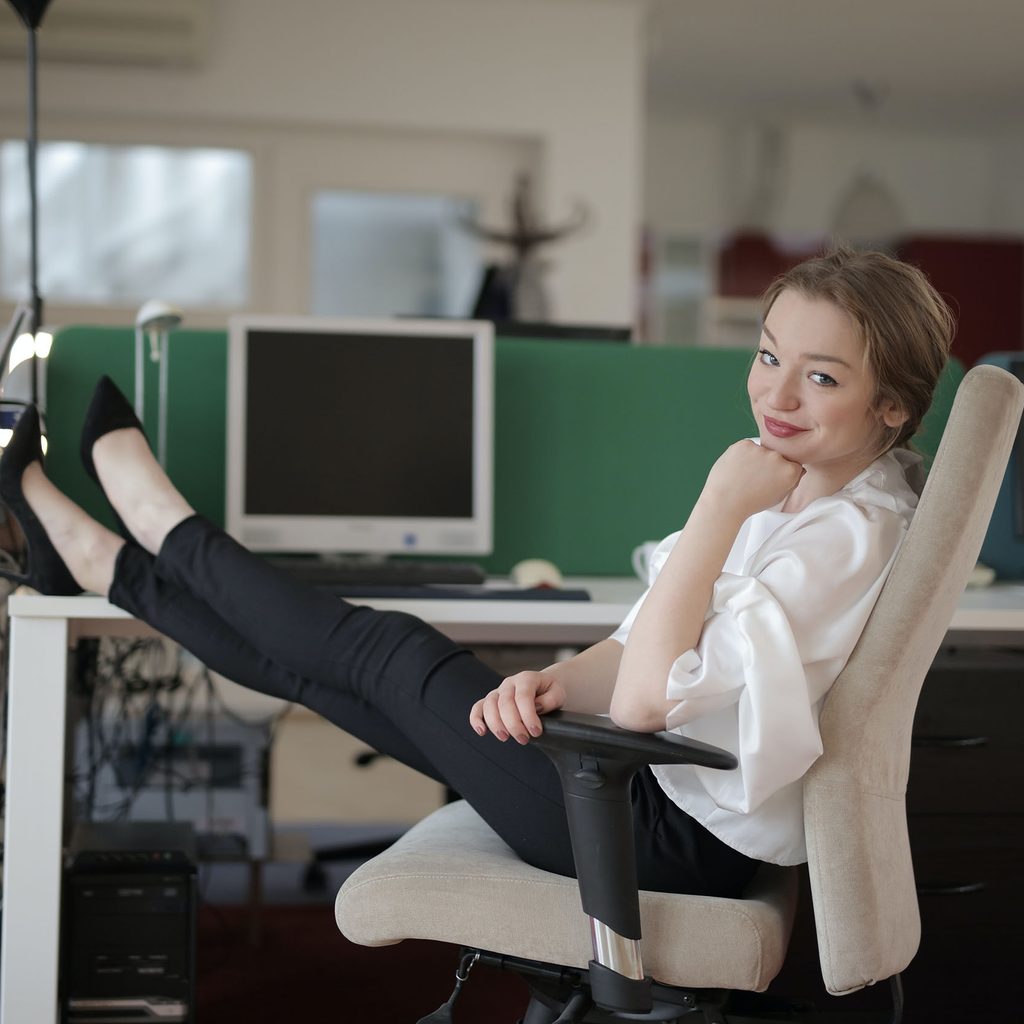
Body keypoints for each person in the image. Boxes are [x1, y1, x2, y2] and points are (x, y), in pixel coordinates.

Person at [0, 244, 953, 898]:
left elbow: (646, 708)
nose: (776, 394)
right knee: (327, 677)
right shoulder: (806, 491)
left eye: (821, 377)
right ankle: (103, 559)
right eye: (768, 355)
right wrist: (555, 679)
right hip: (648, 800)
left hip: (663, 840)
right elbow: (641, 645)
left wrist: (715, 507)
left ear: (894, 410)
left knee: (384, 648)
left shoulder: (842, 535)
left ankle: (162, 524)